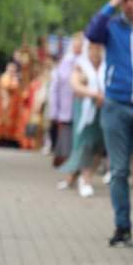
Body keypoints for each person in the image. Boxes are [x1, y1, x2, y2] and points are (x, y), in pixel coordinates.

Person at [85, 0, 133, 247]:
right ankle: (122, 227)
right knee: (119, 170)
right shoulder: (112, 26)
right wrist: (110, 4)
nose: (129, 4)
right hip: (116, 104)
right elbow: (92, 33)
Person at [58, 41, 106, 197]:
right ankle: (84, 179)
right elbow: (75, 85)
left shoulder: (107, 65)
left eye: (97, 48)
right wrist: (95, 94)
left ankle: (77, 177)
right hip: (85, 110)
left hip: (103, 109)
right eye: (91, 48)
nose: (95, 51)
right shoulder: (80, 65)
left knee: (98, 145)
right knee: (84, 144)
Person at [48, 33, 83, 167]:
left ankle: (76, 166)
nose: (78, 47)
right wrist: (54, 110)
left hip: (82, 108)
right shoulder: (65, 62)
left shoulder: (87, 62)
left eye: (81, 45)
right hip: (66, 109)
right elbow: (55, 88)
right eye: (76, 44)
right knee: (66, 138)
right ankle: (67, 165)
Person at [0, 62, 22, 146]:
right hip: (5, 102)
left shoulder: (15, 78)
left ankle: (11, 139)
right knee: (3, 120)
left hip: (14, 104)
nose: (12, 70)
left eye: (14, 69)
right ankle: (2, 139)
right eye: (11, 68)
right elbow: (5, 88)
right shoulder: (5, 77)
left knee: (13, 121)